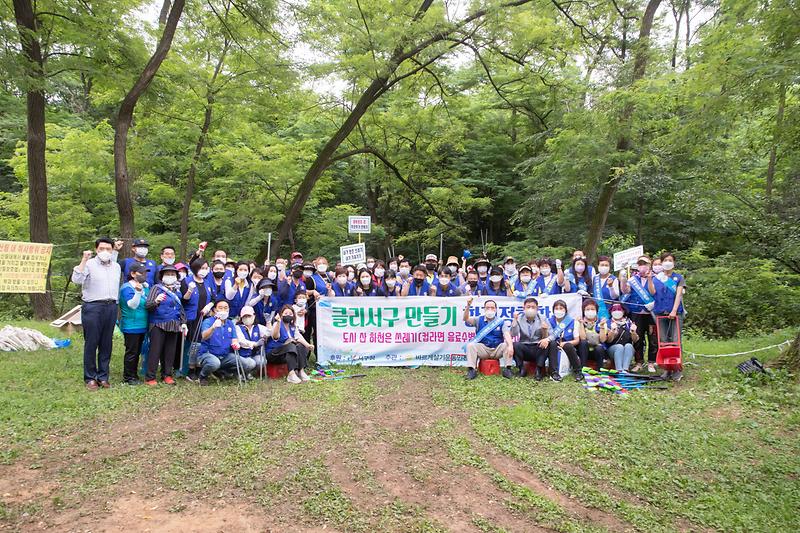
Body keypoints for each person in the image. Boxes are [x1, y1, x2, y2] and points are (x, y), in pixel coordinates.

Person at [72, 238, 122, 390]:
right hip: (93, 306)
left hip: (111, 306)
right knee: (91, 342)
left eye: (108, 249)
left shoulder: (116, 266)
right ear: (96, 249)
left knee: (107, 343)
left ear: (112, 250)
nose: (105, 251)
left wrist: (116, 251)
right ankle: (90, 377)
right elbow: (77, 279)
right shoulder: (89, 264)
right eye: (101, 249)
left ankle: (103, 376)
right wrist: (83, 260)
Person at [144, 265, 187, 386]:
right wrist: (156, 301)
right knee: (155, 351)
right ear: (162, 276)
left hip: (174, 324)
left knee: (170, 351)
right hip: (158, 324)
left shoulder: (177, 291)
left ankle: (167, 375)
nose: (170, 276)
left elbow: (180, 308)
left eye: (173, 274)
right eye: (167, 274)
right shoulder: (156, 288)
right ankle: (150, 377)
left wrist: (183, 322)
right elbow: (148, 306)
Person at [620, 255, 658, 372]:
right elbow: (625, 291)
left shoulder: (655, 278)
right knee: (637, 337)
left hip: (650, 313)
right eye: (640, 264)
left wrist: (650, 278)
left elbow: (654, 292)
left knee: (652, 338)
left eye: (645, 264)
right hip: (636, 312)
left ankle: (651, 362)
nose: (642, 266)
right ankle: (639, 362)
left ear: (649, 265)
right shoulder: (633, 279)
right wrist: (623, 278)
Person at [462, 297, 514, 380]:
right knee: (470, 345)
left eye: (492, 308)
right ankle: (472, 370)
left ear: (496, 309)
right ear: (484, 309)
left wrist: (510, 346)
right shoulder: (479, 320)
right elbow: (466, 319)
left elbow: (506, 334)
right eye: (487, 308)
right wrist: (468, 306)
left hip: (497, 349)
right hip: (484, 349)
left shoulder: (500, 321)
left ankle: (508, 369)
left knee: (507, 345)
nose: (490, 309)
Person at [654, 252, 686, 381]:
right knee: (663, 341)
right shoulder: (657, 278)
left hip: (675, 313)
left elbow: (679, 295)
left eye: (670, 260)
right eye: (665, 260)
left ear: (674, 263)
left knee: (675, 340)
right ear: (661, 263)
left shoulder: (678, 278)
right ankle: (667, 368)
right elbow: (652, 293)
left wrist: (674, 310)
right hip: (660, 312)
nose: (668, 262)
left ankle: (677, 369)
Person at [181, 258, 215, 381]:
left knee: (203, 342)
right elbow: (183, 300)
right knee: (194, 343)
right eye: (201, 268)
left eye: (206, 268)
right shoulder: (186, 281)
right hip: (192, 317)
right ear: (195, 269)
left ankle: (200, 367)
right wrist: (189, 291)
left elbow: (214, 298)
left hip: (205, 316)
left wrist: (209, 306)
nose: (204, 271)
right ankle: (190, 369)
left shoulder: (207, 282)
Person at [197, 300, 244, 386]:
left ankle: (222, 372)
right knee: (214, 363)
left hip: (225, 356)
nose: (223, 310)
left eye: (226, 308)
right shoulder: (208, 321)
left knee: (248, 363)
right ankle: (203, 376)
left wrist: (236, 343)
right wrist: (213, 327)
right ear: (215, 310)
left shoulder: (230, 323)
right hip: (208, 354)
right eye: (220, 308)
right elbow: (204, 336)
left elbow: (234, 338)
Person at [509, 297, 557, 379]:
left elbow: (553, 335)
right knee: (515, 345)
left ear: (537, 309)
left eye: (533, 307)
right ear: (524, 308)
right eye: (528, 307)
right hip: (525, 347)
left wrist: (546, 339)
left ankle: (539, 370)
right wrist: (514, 320)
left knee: (549, 343)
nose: (530, 309)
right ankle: (521, 369)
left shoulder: (542, 318)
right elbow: (513, 334)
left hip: (538, 348)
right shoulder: (519, 318)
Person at [119, 263, 150, 385]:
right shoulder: (127, 288)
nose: (144, 275)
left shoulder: (145, 287)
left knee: (137, 351)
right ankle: (128, 377)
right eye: (141, 273)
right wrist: (138, 292)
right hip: (131, 325)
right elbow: (132, 305)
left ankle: (134, 374)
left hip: (142, 324)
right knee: (132, 352)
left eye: (145, 273)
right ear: (132, 274)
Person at [266, 305, 313, 384]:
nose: (288, 315)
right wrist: (278, 322)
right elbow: (275, 336)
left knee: (301, 346)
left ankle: (301, 371)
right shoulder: (277, 324)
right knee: (291, 345)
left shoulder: (293, 327)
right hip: (274, 354)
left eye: (290, 314)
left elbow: (299, 337)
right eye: (286, 313)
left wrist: (308, 345)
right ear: (281, 315)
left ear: (293, 316)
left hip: (287, 353)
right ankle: (291, 374)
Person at [547, 299, 582, 381]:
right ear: (553, 311)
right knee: (552, 344)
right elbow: (547, 337)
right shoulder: (549, 321)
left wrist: (565, 343)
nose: (558, 310)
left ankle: (578, 371)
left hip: (567, 345)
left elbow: (577, 340)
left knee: (568, 346)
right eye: (556, 308)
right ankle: (554, 372)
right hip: (554, 345)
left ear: (565, 310)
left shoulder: (572, 322)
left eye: (561, 308)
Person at [604, 303, 639, 371]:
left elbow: (635, 340)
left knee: (629, 346)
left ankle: (625, 369)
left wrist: (633, 332)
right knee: (619, 347)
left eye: (619, 309)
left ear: (623, 311)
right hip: (613, 350)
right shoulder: (608, 323)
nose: (617, 311)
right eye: (614, 310)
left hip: (626, 349)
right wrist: (612, 332)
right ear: (611, 312)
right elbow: (608, 341)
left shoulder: (629, 322)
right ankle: (619, 370)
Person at [235, 306, 267, 377]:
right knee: (251, 363)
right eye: (245, 316)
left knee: (262, 361)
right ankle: (240, 373)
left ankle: (249, 373)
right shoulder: (238, 328)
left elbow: (269, 332)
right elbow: (241, 341)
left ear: (254, 316)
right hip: (242, 355)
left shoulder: (258, 327)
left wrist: (268, 323)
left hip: (253, 354)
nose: (247, 318)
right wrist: (255, 344)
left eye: (249, 316)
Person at [578, 299, 608, 370]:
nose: (590, 311)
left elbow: (602, 340)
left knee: (599, 348)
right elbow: (583, 338)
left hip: (596, 351)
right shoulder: (579, 321)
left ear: (596, 311)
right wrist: (581, 324)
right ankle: (583, 368)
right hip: (584, 351)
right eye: (587, 309)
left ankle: (599, 370)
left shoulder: (602, 322)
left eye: (592, 309)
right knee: (583, 342)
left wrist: (602, 326)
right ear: (583, 311)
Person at [592, 255, 618, 320]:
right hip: (596, 311)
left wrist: (611, 287)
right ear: (598, 266)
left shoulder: (614, 279)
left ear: (609, 267)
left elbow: (615, 296)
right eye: (602, 265)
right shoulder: (594, 278)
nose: (604, 267)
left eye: (606, 265)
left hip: (609, 311)